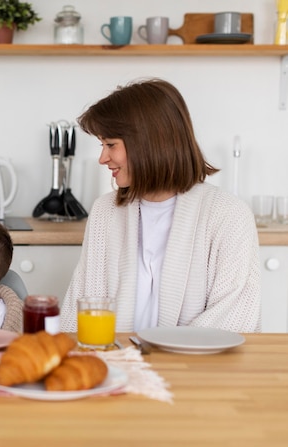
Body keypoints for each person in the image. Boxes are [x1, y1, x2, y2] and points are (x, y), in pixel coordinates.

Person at [60, 78, 261, 333]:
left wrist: (160, 358)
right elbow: (81, 307)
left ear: (148, 143)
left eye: (111, 145)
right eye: (103, 145)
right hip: (118, 363)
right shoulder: (105, 211)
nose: (102, 158)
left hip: (197, 368)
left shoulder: (228, 214)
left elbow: (234, 315)